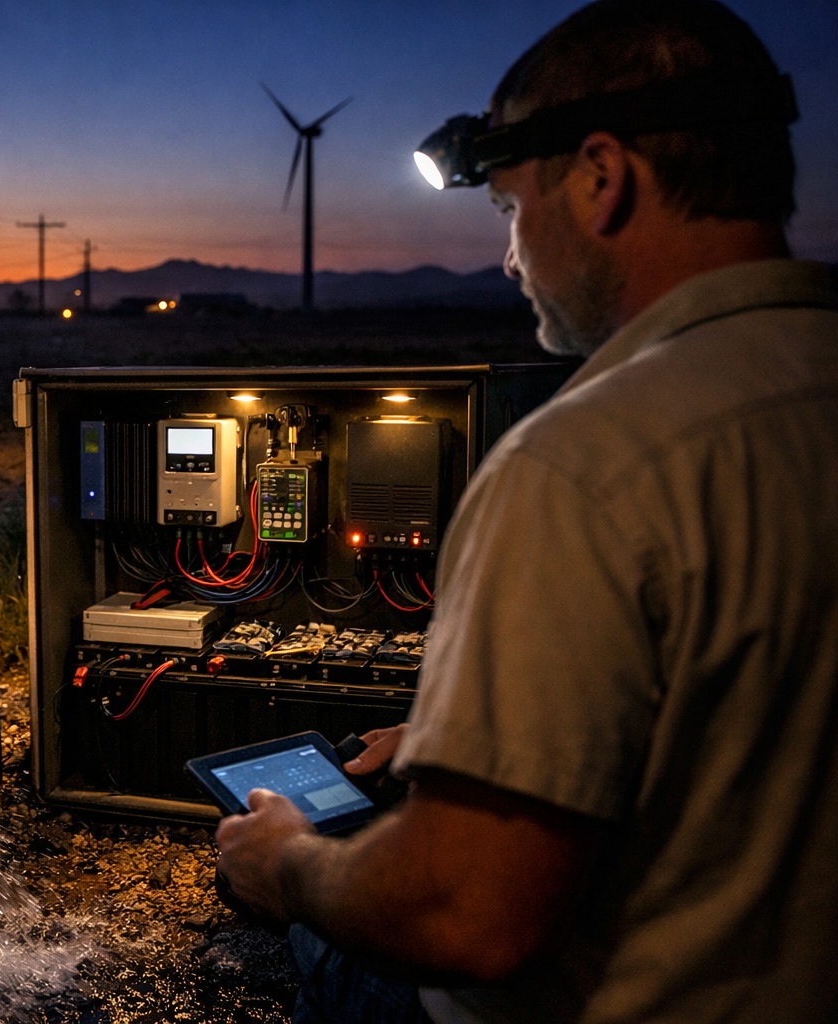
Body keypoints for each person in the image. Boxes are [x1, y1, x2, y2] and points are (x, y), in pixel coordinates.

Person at [213, 2, 838, 1022]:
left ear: (602, 178)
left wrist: (286, 864)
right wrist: (468, 735)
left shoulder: (583, 463)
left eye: (509, 211)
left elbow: (463, 915)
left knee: (323, 949)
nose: (508, 259)